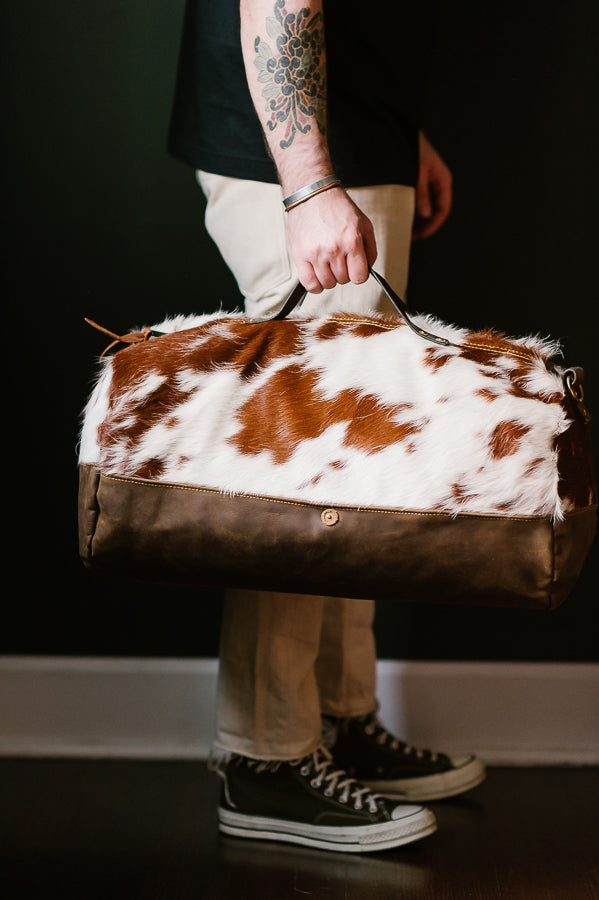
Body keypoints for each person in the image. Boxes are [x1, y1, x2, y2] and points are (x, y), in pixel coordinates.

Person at [168, 0, 485, 853]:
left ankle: (335, 723)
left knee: (359, 464)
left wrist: (389, 130)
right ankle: (265, 756)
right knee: (309, 466)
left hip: (350, 136)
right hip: (295, 160)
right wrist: (310, 183)